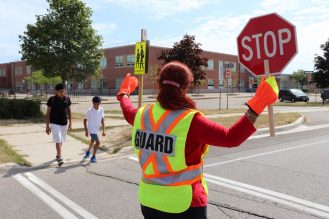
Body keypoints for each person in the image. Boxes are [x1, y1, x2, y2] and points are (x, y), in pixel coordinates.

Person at [117, 61, 278, 219]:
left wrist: (124, 91)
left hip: (149, 201)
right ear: (186, 87)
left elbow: (127, 109)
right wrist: (259, 102)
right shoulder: (190, 121)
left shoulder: (141, 115)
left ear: (159, 84)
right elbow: (231, 138)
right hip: (183, 204)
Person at [46, 83, 72, 167]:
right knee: (58, 139)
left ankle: (58, 154)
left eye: (63, 91)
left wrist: (71, 123)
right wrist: (47, 126)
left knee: (61, 140)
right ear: (56, 91)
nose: (62, 93)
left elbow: (69, 111)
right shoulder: (52, 99)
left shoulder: (67, 99)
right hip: (54, 123)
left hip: (64, 123)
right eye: (61, 91)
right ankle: (60, 157)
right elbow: (48, 113)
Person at [83, 96, 106, 163]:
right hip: (91, 129)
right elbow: (84, 121)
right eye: (94, 104)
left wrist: (104, 130)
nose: (96, 105)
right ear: (92, 103)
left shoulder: (101, 109)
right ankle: (93, 156)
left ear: (100, 103)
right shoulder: (89, 111)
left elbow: (102, 120)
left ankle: (88, 152)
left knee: (92, 141)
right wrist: (86, 131)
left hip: (97, 129)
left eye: (97, 104)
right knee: (98, 143)